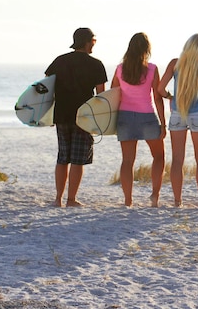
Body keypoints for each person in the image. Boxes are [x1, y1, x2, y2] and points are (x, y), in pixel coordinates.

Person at [157, 33, 198, 208]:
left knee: (177, 160)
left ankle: (177, 201)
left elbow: (160, 89)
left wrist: (171, 97)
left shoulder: (174, 64)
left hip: (178, 114)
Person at [45, 28, 108, 207]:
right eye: (93, 41)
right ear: (87, 42)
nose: (93, 45)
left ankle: (58, 199)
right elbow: (101, 96)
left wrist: (48, 114)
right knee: (78, 160)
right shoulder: (96, 64)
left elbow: (45, 88)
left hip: (62, 114)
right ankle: (71, 199)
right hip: (84, 117)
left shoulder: (59, 61)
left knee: (62, 157)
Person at [111, 33, 166, 207]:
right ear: (146, 49)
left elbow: (113, 93)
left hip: (125, 116)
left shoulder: (120, 69)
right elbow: (157, 97)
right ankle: (155, 195)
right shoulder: (152, 69)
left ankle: (128, 200)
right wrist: (163, 123)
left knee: (127, 160)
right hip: (147, 116)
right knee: (159, 156)